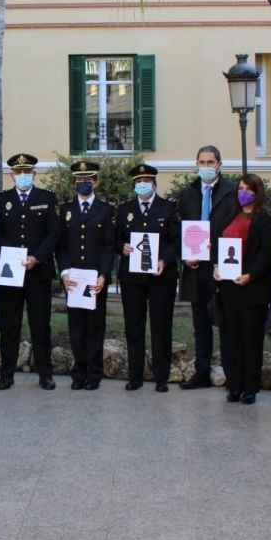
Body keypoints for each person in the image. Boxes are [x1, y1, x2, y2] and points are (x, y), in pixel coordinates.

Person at [0, 154, 59, 391]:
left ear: (33, 175)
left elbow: (53, 233)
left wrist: (37, 257)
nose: (22, 176)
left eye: (26, 173)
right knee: (9, 326)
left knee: (41, 325)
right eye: (18, 173)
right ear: (11, 176)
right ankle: (6, 374)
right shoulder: (1, 200)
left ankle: (45, 374)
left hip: (38, 273)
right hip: (10, 273)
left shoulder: (47, 198)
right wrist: (7, 257)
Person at [213, 174, 271, 405]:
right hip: (229, 287)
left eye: (248, 189)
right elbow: (219, 244)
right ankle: (234, 385)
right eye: (240, 188)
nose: (243, 193)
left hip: (252, 288)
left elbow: (266, 254)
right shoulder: (230, 214)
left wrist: (251, 274)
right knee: (230, 337)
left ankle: (250, 388)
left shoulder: (266, 219)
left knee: (250, 339)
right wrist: (216, 267)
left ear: (257, 192)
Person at [114, 164, 179, 393]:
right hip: (132, 278)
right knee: (134, 327)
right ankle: (135, 376)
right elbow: (114, 238)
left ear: (154, 183)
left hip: (161, 277)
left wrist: (165, 259)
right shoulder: (124, 209)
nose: (142, 184)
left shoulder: (168, 208)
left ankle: (161, 377)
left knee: (161, 327)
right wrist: (121, 247)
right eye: (138, 181)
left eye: (147, 180)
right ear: (134, 185)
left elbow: (175, 240)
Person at [177, 146, 238, 389]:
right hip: (195, 268)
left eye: (210, 162)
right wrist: (185, 255)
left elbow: (237, 228)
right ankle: (201, 372)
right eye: (201, 162)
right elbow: (179, 227)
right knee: (200, 324)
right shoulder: (189, 193)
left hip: (221, 267)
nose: (206, 167)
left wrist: (218, 250)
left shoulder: (231, 192)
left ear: (219, 165)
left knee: (225, 323)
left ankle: (232, 376)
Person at [56, 161, 115, 391]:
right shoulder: (66, 210)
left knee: (94, 327)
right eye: (79, 180)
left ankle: (94, 373)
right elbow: (60, 246)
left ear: (96, 182)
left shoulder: (106, 209)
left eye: (88, 179)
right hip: (73, 278)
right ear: (73, 183)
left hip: (94, 279)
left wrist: (104, 274)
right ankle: (78, 372)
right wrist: (63, 272)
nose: (84, 183)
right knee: (76, 328)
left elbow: (109, 247)